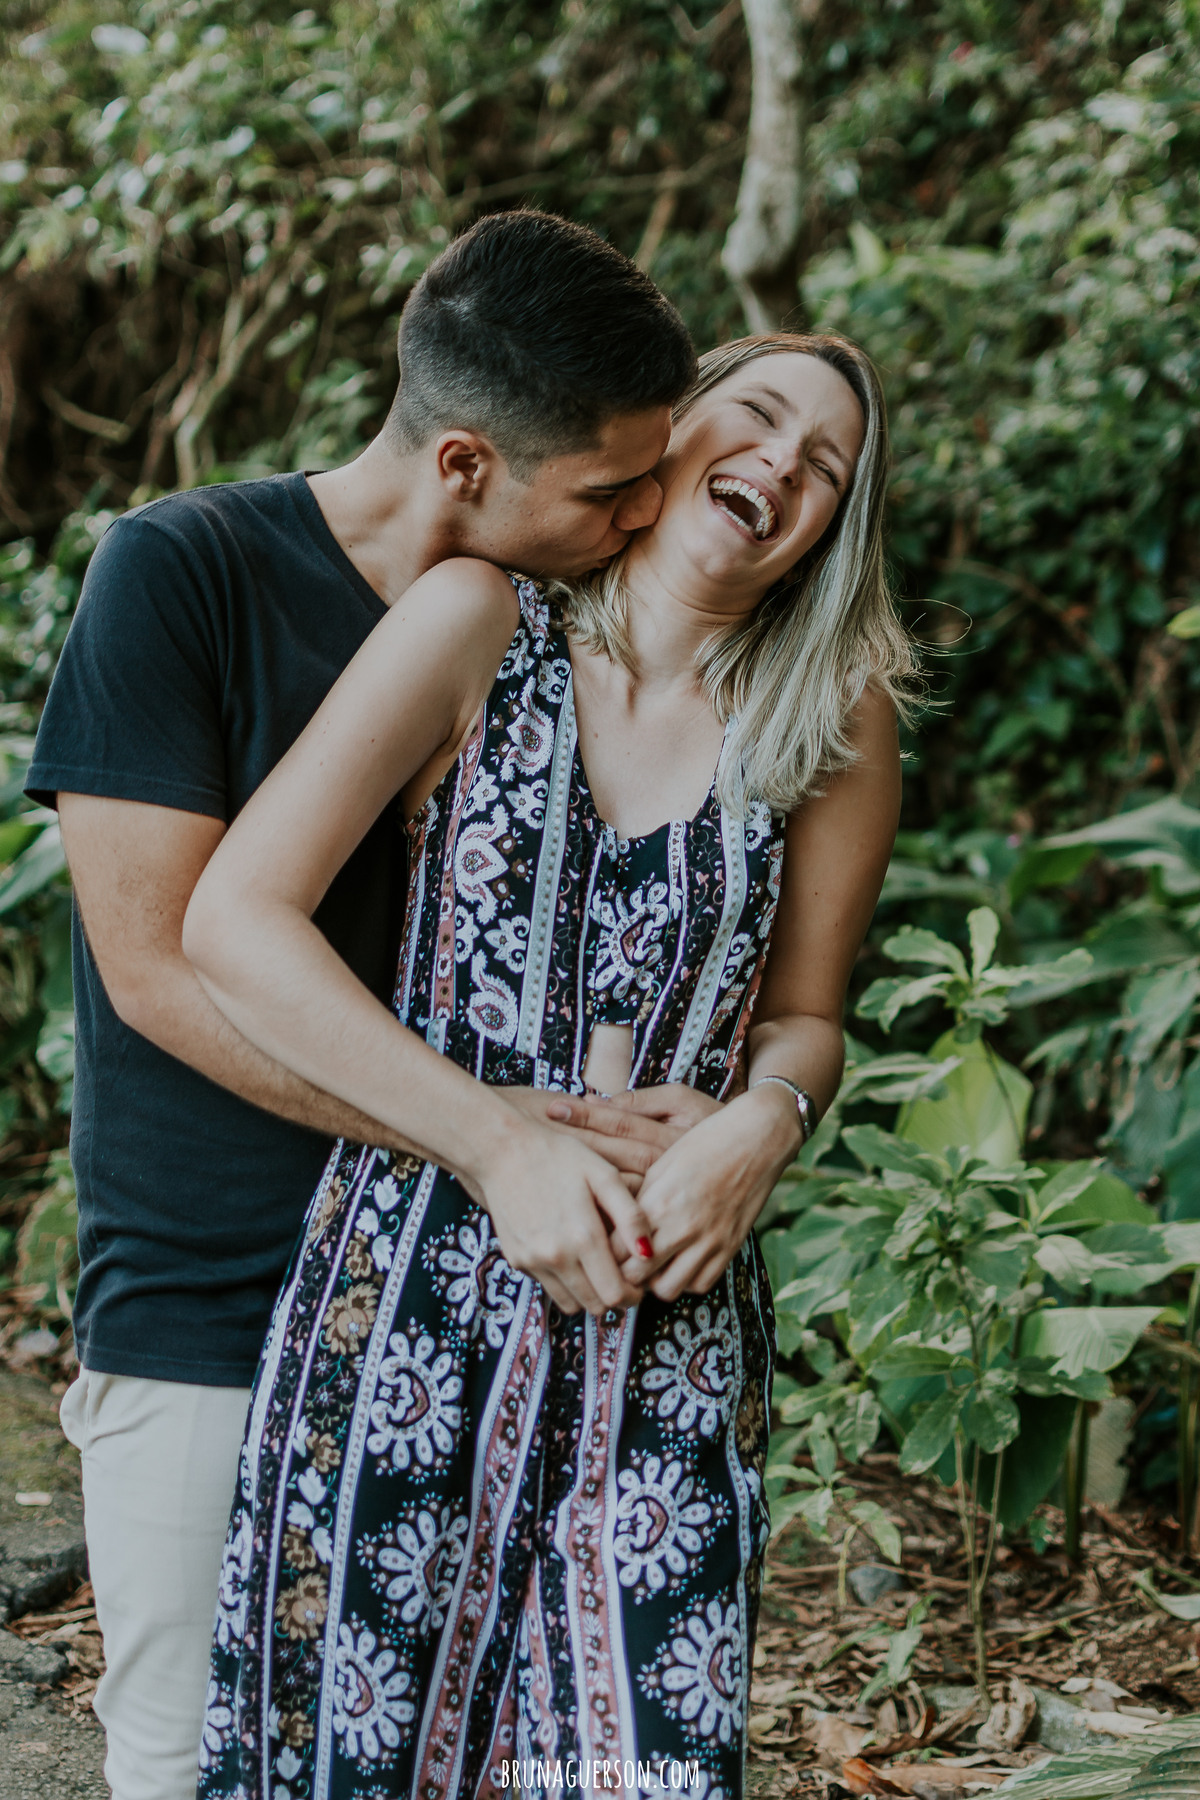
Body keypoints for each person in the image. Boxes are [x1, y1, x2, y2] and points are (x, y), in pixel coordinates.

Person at [24, 211, 701, 1800]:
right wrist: (486, 1139)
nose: (645, 514)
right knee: (190, 1762)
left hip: (467, 1311)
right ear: (465, 461)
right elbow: (163, 972)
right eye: (611, 487)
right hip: (216, 1302)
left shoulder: (555, 640)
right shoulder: (181, 570)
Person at [183, 331, 912, 1799]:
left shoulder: (836, 716)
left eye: (825, 465)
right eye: (758, 417)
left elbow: (808, 1017)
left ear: (834, 525)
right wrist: (496, 1143)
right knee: (348, 1758)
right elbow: (235, 921)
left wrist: (764, 1121)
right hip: (405, 1302)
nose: (781, 461)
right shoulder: (476, 621)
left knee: (646, 1763)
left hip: (670, 1331)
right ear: (671, 434)